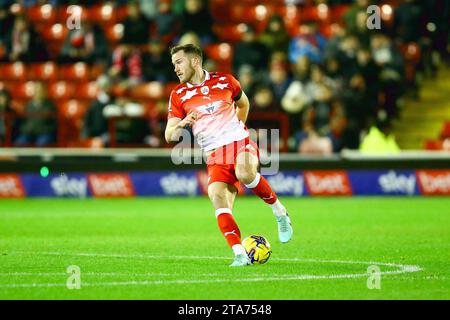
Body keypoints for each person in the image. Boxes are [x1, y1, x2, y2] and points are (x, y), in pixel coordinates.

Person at [165, 44, 293, 267]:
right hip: (214, 155)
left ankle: (280, 212)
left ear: (195, 61)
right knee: (218, 199)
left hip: (239, 143)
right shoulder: (178, 95)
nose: (175, 68)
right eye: (173, 64)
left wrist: (236, 127)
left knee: (245, 173)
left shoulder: (226, 81)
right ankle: (239, 254)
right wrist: (182, 124)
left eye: (179, 62)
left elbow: (243, 103)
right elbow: (169, 135)